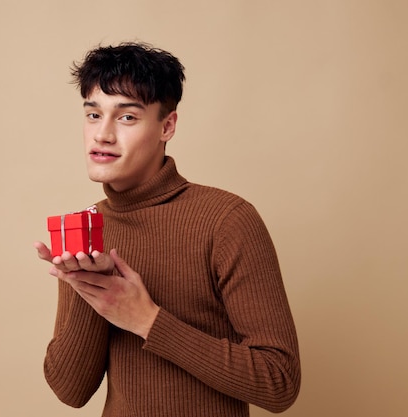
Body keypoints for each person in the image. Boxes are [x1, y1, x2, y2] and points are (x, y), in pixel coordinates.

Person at [34, 42, 300, 417]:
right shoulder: (87, 225)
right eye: (94, 115)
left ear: (167, 126)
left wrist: (147, 320)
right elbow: (70, 390)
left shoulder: (227, 219)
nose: (102, 135)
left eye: (127, 117)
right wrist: (86, 285)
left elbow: (280, 382)